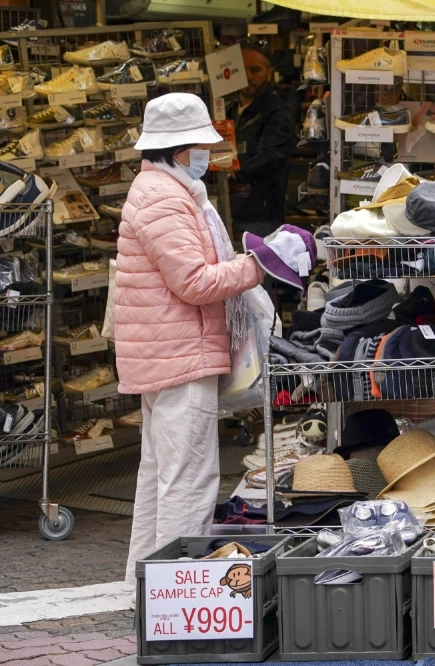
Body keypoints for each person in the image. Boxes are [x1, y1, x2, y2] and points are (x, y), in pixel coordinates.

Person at [117, 93, 266, 586]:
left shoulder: (166, 191)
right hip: (179, 352)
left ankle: (144, 588)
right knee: (189, 478)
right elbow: (195, 282)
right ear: (179, 151)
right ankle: (176, 590)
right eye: (201, 145)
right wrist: (257, 266)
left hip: (166, 352)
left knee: (161, 476)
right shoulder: (165, 197)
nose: (207, 153)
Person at [228, 41, 295, 237]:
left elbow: (270, 156)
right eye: (241, 70)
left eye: (255, 70)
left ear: (269, 72)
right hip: (230, 208)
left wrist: (234, 173)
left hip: (261, 216)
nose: (248, 76)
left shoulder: (277, 112)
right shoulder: (229, 110)